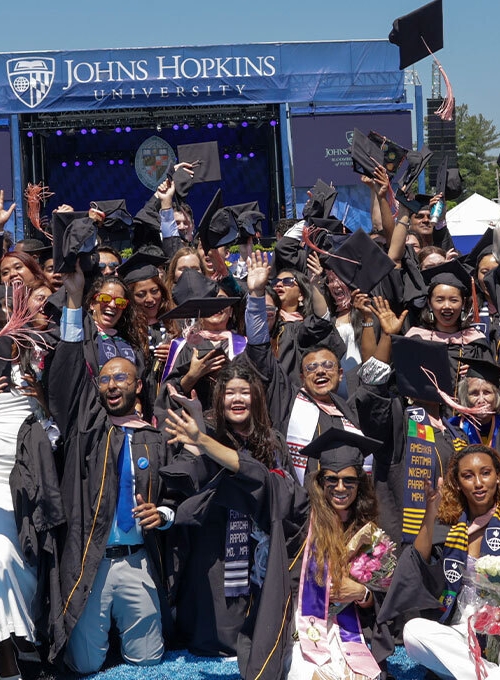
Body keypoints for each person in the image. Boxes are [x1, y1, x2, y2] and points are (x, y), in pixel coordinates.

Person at [47, 260, 173, 674]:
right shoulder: (86, 429)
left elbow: (183, 488)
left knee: (149, 663)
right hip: (92, 563)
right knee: (84, 665)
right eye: (105, 379)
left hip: (138, 560)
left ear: (140, 385)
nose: (113, 384)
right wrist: (73, 298)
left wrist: (166, 513)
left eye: (119, 301)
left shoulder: (153, 436)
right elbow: (67, 382)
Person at [162, 360, 297, 657]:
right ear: (220, 398)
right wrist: (199, 438)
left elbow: (284, 489)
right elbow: (190, 470)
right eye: (230, 393)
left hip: (259, 539)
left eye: (244, 393)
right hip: (215, 540)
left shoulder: (272, 440)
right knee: (216, 630)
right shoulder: (207, 433)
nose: (237, 399)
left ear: (256, 398)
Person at [287, 429, 385, 680]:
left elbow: (384, 595)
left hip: (350, 627)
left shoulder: (368, 530)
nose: (340, 487)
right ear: (320, 482)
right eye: (332, 479)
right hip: (304, 623)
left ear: (359, 484)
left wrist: (362, 594)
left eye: (349, 481)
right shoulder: (301, 520)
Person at [400, 444, 500, 679]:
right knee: (413, 632)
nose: (478, 482)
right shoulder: (454, 526)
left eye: (485, 473)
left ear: (498, 477)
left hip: (497, 628)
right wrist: (431, 512)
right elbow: (419, 561)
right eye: (468, 476)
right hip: (461, 628)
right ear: (458, 482)